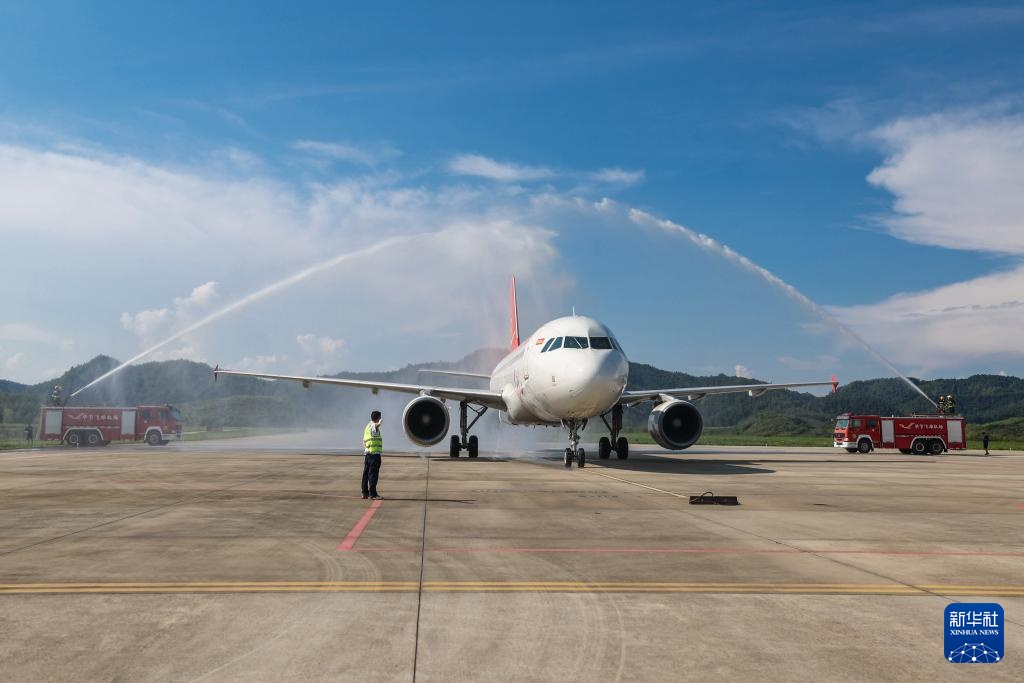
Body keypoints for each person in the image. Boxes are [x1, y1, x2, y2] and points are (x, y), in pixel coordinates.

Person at [361, 410, 383, 500]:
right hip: (374, 455)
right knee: (373, 475)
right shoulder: (374, 426)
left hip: (368, 454)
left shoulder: (367, 427)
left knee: (366, 474)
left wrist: (366, 447)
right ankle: (372, 494)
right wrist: (379, 423)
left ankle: (364, 493)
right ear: (378, 418)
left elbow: (364, 441)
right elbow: (375, 426)